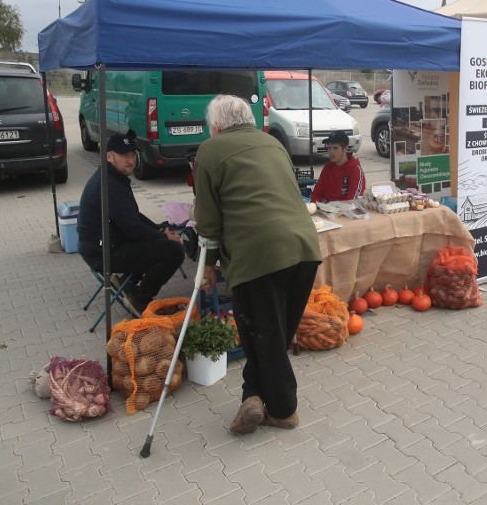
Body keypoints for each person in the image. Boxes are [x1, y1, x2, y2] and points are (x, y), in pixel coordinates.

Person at [194, 95, 322, 435]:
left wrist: (207, 266)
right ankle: (252, 397)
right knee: (271, 335)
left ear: (217, 126)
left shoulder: (210, 150)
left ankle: (283, 410)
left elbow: (207, 222)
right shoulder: (272, 143)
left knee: (264, 335)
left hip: (259, 255)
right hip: (304, 248)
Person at [77, 130, 185, 314]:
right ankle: (140, 300)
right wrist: (164, 238)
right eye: (124, 155)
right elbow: (133, 228)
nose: (130, 160)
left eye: (133, 154)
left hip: (105, 242)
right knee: (174, 251)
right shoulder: (110, 185)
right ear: (109, 157)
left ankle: (128, 281)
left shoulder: (112, 177)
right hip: (101, 251)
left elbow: (132, 216)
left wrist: (160, 230)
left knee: (156, 236)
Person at [309, 130, 365, 203]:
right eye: (329, 148)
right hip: (325, 211)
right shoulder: (327, 167)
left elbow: (353, 201)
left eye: (335, 148)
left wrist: (330, 205)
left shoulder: (355, 169)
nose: (331, 152)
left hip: (345, 212)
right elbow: (316, 194)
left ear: (345, 148)